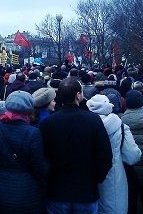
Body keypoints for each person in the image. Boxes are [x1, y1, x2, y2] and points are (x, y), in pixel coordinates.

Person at [40, 77, 113, 213]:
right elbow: (105, 155)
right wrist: (96, 178)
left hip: (57, 190)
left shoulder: (48, 123)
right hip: (86, 190)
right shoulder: (93, 120)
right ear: (78, 95)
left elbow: (42, 156)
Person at [0, 90, 49, 213]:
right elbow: (39, 167)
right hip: (29, 190)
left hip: (2, 187)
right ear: (29, 109)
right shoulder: (33, 132)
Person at [87, 94, 141, 214]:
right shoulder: (120, 126)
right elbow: (132, 156)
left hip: (87, 181)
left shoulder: (82, 125)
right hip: (114, 179)